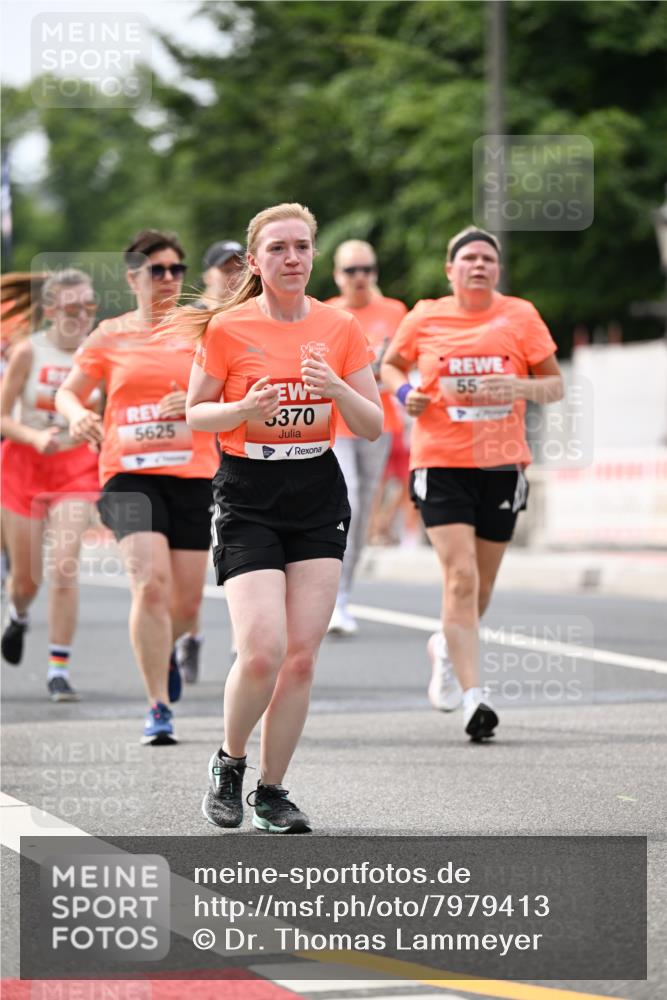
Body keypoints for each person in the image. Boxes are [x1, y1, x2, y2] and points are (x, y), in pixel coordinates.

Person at [184, 202, 382, 833]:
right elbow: (196, 413)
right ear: (256, 261)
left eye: (301, 247)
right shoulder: (228, 329)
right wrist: (243, 406)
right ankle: (229, 761)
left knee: (301, 656)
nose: (292, 258)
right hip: (248, 490)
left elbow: (372, 425)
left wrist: (336, 387)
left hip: (316, 489)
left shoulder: (341, 327)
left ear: (314, 255)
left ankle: (271, 793)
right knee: (263, 649)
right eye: (278, 249)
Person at [381, 226, 563, 741]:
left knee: (478, 587)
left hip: (502, 466)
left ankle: (444, 643)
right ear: (450, 270)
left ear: (497, 269)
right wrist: (406, 393)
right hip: (440, 461)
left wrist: (517, 384)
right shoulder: (426, 315)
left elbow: (554, 385)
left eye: (487, 258)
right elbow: (392, 366)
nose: (479, 265)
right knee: (459, 577)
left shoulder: (520, 316)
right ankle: (473, 698)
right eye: (468, 258)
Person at [56, 230, 219, 743]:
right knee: (150, 586)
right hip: (128, 474)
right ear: (132, 278)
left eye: (177, 269)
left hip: (193, 475)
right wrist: (79, 413)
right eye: (156, 270)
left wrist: (192, 406)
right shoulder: (110, 335)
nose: (169, 279)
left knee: (187, 605)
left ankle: (166, 648)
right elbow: (67, 392)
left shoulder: (203, 329)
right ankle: (158, 705)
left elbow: (232, 387)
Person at [1, 269, 100, 700]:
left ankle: (58, 668)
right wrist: (35, 436)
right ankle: (18, 614)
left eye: (90, 307)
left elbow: (112, 411)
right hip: (22, 467)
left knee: (64, 566)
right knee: (26, 580)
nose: (82, 316)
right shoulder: (28, 352)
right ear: (51, 310)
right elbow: (3, 416)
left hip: (76, 470)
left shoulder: (100, 355)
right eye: (73, 308)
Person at [325, 239, 407, 635]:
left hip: (380, 423)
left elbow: (404, 364)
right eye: (351, 270)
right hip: (335, 424)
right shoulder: (325, 313)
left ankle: (341, 597)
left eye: (367, 270)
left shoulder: (394, 311)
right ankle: (328, 595)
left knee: (362, 520)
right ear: (337, 275)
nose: (360, 278)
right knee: (350, 501)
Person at [174, 238, 246, 683]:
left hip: (243, 444)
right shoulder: (191, 319)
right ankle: (192, 633)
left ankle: (245, 646)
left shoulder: (257, 311)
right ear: (207, 274)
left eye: (240, 266)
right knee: (200, 554)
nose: (233, 274)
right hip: (197, 447)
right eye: (225, 267)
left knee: (238, 545)